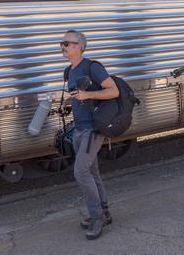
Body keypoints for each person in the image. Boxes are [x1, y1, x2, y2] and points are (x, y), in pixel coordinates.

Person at [60, 30, 119, 240]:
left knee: (81, 172)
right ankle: (104, 212)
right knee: (92, 172)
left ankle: (97, 218)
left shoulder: (92, 67)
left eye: (67, 43)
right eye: (62, 43)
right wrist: (67, 103)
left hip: (93, 128)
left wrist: (88, 94)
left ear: (80, 46)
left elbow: (113, 91)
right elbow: (79, 97)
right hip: (79, 128)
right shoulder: (69, 71)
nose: (63, 46)